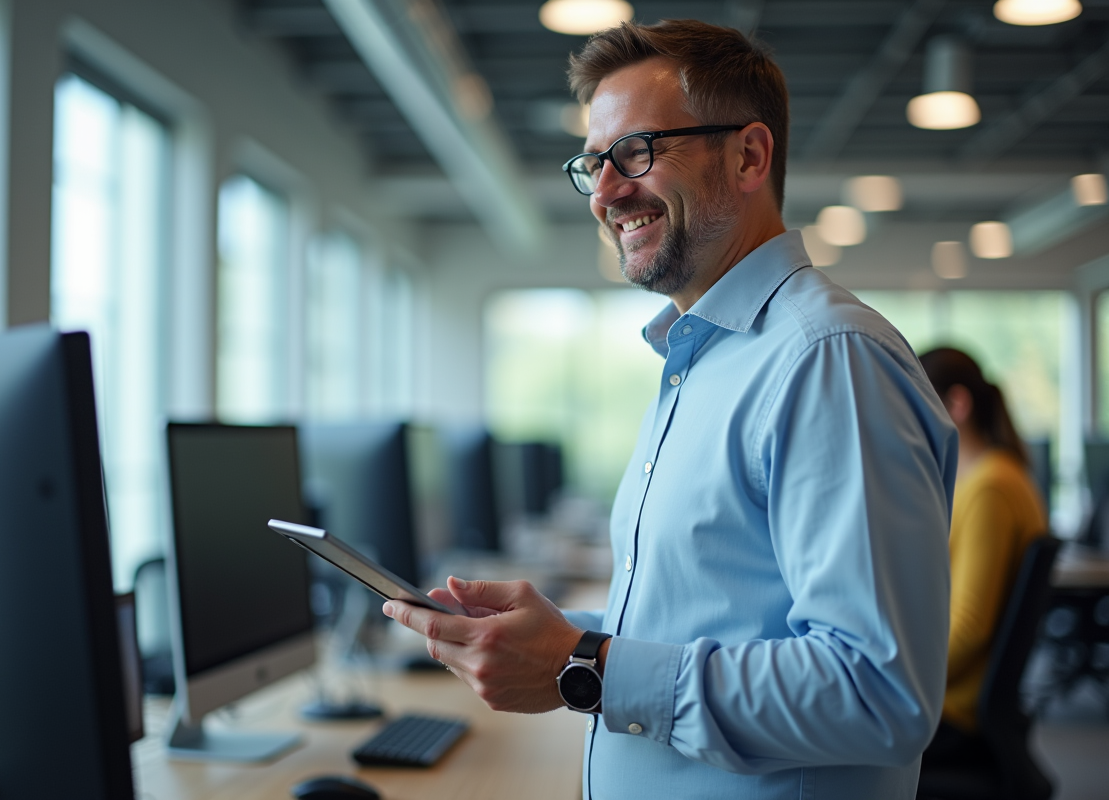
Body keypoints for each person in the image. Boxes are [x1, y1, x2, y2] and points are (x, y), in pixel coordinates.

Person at [384, 20, 957, 799]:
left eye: (636, 152)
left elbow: (875, 694)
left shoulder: (826, 360)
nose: (606, 193)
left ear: (749, 156)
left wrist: (584, 667)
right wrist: (565, 638)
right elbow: (710, 619)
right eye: (594, 164)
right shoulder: (705, 360)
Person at [918, 346, 1047, 761]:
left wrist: (900, 677)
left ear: (957, 404)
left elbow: (969, 628)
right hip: (953, 697)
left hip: (954, 708)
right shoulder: (992, 477)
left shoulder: (990, 487)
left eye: (917, 402)